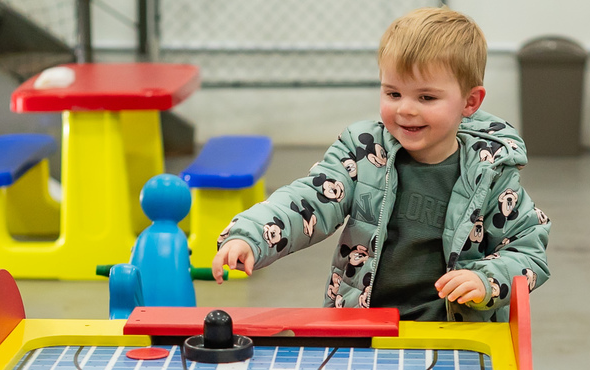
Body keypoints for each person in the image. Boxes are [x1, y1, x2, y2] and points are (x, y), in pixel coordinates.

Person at [208, 7, 550, 322]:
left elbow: (527, 252)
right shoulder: (362, 152)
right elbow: (309, 200)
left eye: (426, 97)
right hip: (363, 324)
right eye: (393, 93)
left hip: (454, 335)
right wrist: (250, 235)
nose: (406, 109)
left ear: (470, 101)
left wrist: (485, 280)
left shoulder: (490, 173)